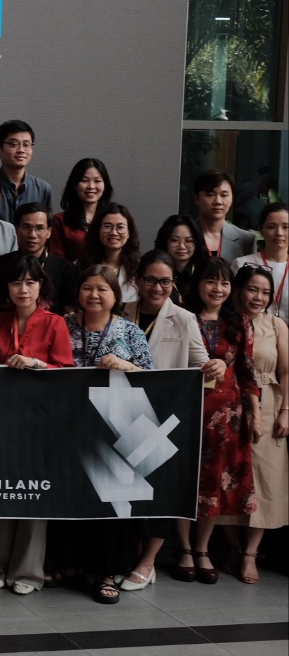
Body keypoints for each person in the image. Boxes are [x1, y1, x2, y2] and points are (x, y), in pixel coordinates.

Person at [118, 251, 213, 592]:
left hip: (163, 419)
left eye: (165, 281)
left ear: (173, 284)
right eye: (150, 280)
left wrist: (215, 366)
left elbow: (202, 365)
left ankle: (148, 563)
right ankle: (129, 557)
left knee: (159, 492)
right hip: (122, 414)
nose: (157, 288)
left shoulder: (184, 318)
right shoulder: (122, 311)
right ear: (137, 280)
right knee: (127, 491)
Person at [63, 264, 154, 604]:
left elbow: (154, 378)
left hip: (115, 431)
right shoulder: (62, 325)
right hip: (68, 426)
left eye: (102, 289)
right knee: (69, 496)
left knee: (111, 500)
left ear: (115, 295)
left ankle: (107, 572)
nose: (94, 295)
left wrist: (127, 366)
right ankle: (68, 564)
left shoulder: (130, 332)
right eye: (87, 287)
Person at [0, 255, 72, 597]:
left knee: (33, 494)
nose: (23, 289)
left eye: (30, 282)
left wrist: (37, 364)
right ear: (7, 287)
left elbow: (67, 374)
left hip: (40, 421)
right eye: (16, 282)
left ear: (41, 286)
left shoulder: (55, 323)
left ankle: (28, 572)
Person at [171, 258, 261, 587]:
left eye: (224, 283)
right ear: (198, 284)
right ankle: (183, 547)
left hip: (226, 418)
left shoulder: (239, 323)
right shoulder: (182, 318)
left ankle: (202, 548)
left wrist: (255, 414)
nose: (218, 289)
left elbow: (248, 373)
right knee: (184, 480)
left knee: (214, 485)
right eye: (211, 281)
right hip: (186, 412)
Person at [237, 264, 287, 585]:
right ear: (239, 289)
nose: (259, 297)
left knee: (267, 478)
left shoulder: (276, 325)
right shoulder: (228, 321)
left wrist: (286, 411)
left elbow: (286, 371)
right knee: (233, 475)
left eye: (266, 292)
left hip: (270, 404)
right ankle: (231, 546)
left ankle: (250, 553)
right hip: (232, 404)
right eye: (253, 289)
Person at [0, 203, 77, 312]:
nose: (32, 235)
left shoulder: (65, 269)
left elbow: (69, 310)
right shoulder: (0, 265)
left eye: (40, 228)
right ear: (16, 229)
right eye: (26, 227)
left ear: (49, 232)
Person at [233, 202, 289, 320]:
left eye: (286, 227)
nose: (279, 233)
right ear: (261, 229)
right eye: (271, 227)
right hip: (249, 328)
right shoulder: (242, 264)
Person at [50, 158, 112, 263]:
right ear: (74, 185)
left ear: (105, 185)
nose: (91, 186)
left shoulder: (112, 219)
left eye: (97, 181)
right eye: (84, 180)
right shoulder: (59, 221)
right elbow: (56, 263)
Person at [0, 120, 52, 223]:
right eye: (13, 144)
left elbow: (46, 227)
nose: (21, 150)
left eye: (26, 145)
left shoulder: (43, 188)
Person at [77, 202, 140, 303]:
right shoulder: (81, 265)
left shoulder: (140, 267)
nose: (114, 232)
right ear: (98, 230)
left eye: (120, 227)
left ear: (129, 233)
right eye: (107, 226)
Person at [192, 170, 255, 261]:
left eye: (224, 195)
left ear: (232, 199)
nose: (218, 201)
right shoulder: (182, 234)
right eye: (210, 195)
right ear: (196, 199)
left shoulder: (246, 240)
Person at [155, 215, 210, 307]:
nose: (181, 246)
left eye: (189, 241)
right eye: (174, 240)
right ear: (165, 241)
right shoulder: (154, 270)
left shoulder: (205, 271)